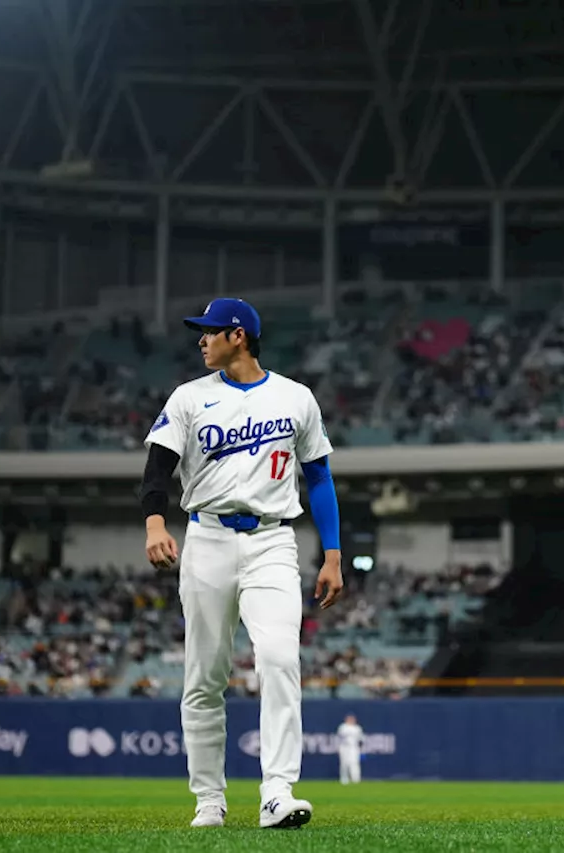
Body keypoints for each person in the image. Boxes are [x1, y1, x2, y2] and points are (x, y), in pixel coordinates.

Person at [141, 297, 344, 830]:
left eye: (209, 331)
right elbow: (157, 470)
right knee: (205, 677)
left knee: (280, 658)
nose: (200, 340)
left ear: (238, 336)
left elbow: (319, 478)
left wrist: (333, 554)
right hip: (206, 539)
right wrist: (155, 523)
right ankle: (209, 799)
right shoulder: (188, 398)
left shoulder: (295, 397)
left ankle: (277, 792)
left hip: (273, 543)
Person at [337, 713, 365, 785]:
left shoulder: (357, 728)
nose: (351, 720)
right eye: (349, 718)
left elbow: (361, 739)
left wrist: (361, 749)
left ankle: (356, 779)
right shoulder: (343, 727)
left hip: (354, 747)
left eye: (352, 718)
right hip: (344, 747)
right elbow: (339, 738)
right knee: (344, 764)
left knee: (354, 763)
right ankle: (344, 779)